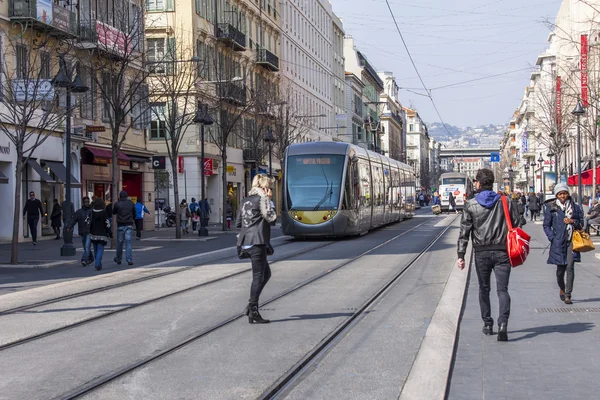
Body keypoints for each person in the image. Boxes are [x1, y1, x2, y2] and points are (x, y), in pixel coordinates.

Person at [457, 169, 522, 341]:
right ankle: (503, 323)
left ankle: (487, 323)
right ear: (491, 183)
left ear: (478, 183)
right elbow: (517, 222)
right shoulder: (505, 201)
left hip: (481, 253)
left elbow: (464, 231)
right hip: (503, 251)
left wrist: (461, 254)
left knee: (484, 289)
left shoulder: (470, 204)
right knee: (503, 289)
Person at [236, 174, 277, 324]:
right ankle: (253, 309)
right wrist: (269, 200)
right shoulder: (263, 200)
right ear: (264, 188)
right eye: (270, 188)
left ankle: (251, 305)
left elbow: (238, 223)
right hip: (258, 242)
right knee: (259, 276)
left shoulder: (244, 201)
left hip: (246, 241)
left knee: (265, 274)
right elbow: (272, 218)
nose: (270, 190)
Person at [543, 183, 584, 305]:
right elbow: (546, 225)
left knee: (570, 267)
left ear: (568, 194)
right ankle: (562, 287)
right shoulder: (552, 208)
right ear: (556, 195)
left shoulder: (575, 207)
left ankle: (568, 294)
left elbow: (581, 224)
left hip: (572, 241)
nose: (562, 196)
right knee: (560, 270)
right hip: (558, 242)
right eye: (560, 194)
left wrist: (572, 221)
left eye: (564, 193)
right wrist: (552, 238)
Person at [68, 197, 94, 266]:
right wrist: (69, 227)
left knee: (87, 246)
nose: (87, 203)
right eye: (85, 202)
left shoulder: (91, 211)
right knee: (85, 247)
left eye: (88, 202)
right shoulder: (79, 212)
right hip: (82, 231)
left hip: (89, 231)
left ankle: (84, 260)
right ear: (83, 203)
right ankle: (91, 258)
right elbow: (74, 220)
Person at [113, 190, 136, 266]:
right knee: (128, 242)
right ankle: (129, 259)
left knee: (120, 243)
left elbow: (114, 212)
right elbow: (134, 213)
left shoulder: (117, 204)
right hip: (129, 224)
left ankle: (118, 258)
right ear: (127, 196)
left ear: (120, 196)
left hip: (120, 225)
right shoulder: (131, 203)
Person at [88, 198, 111, 271]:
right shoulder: (104, 213)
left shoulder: (91, 212)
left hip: (93, 234)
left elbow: (87, 221)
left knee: (95, 249)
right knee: (100, 249)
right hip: (102, 234)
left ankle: (98, 263)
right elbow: (107, 223)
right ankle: (98, 264)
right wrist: (109, 232)